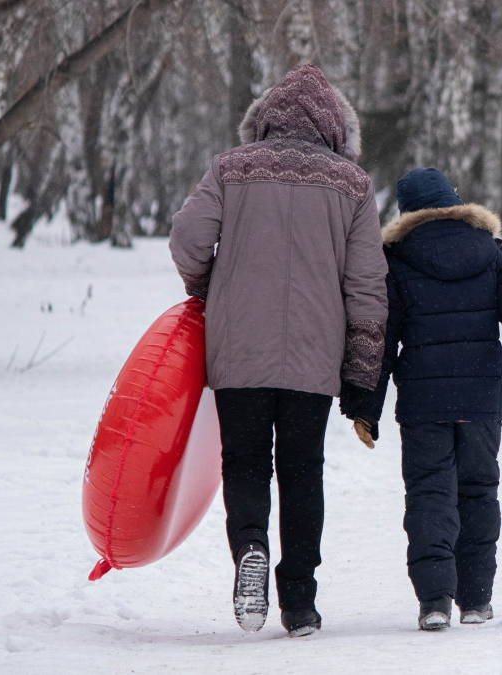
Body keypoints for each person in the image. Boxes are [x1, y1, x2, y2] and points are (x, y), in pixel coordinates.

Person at [169, 65, 388, 638]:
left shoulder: (230, 169)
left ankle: (249, 549)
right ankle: (300, 603)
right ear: (335, 126)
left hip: (238, 345)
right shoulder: (353, 185)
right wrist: (364, 372)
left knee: (243, 463)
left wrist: (208, 288)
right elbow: (367, 285)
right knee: (301, 470)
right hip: (314, 357)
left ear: (263, 119)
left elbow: (188, 238)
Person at [340, 168, 502, 631]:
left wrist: (366, 403)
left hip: (425, 403)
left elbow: (382, 341)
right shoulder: (489, 254)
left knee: (429, 496)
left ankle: (435, 601)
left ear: (406, 213)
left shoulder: (398, 262)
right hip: (481, 399)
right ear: (455, 201)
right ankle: (477, 600)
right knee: (479, 493)